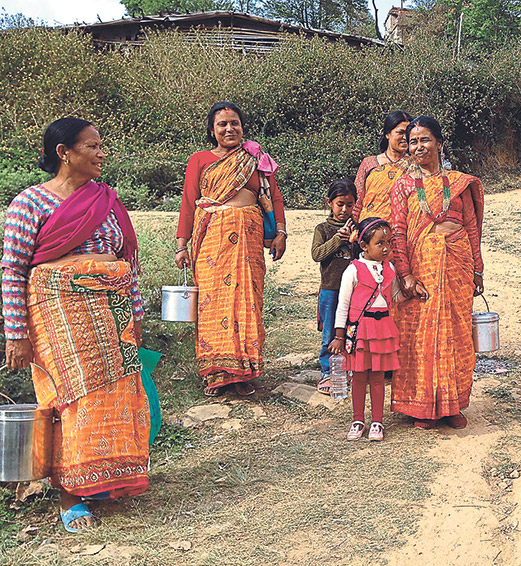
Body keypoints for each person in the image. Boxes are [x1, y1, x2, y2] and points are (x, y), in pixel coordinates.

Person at [2, 117, 149, 532]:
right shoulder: (29, 204)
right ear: (64, 153)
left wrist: (135, 315)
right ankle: (70, 493)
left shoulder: (107, 201)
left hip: (109, 313)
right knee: (68, 397)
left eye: (102, 146)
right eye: (93, 146)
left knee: (114, 394)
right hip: (55, 315)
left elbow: (128, 263)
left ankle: (107, 479)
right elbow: (13, 271)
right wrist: (16, 333)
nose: (102, 153)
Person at [175, 101, 287, 397]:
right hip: (211, 239)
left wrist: (281, 233)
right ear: (211, 130)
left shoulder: (255, 158)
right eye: (222, 124)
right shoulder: (199, 160)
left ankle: (244, 372)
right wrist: (181, 245)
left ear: (242, 127)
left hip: (248, 239)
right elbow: (188, 203)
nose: (229, 128)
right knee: (213, 303)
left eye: (234, 123)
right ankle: (216, 373)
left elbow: (274, 197)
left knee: (246, 299)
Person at [390, 116, 484, 430]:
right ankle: (421, 408)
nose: (419, 146)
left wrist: (478, 270)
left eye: (425, 139)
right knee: (419, 336)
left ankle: (452, 404)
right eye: (413, 141)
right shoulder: (403, 184)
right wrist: (405, 274)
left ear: (439, 143)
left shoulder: (458, 181)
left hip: (457, 264)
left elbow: (471, 226)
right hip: (421, 267)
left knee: (456, 333)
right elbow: (398, 231)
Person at [329, 217, 400, 441]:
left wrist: (414, 287)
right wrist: (339, 336)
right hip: (360, 331)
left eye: (388, 242)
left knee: (378, 377)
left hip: (382, 330)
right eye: (380, 243)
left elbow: (396, 296)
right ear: (364, 245)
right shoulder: (353, 270)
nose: (386, 248)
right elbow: (343, 304)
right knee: (359, 377)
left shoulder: (390, 269)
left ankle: (377, 422)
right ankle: (358, 420)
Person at [312, 179, 356, 395]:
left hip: (356, 292)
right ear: (329, 202)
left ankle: (351, 370)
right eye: (340, 204)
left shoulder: (359, 228)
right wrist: (338, 240)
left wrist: (355, 241)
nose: (344, 210)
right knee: (329, 332)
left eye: (349, 205)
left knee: (351, 330)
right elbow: (317, 254)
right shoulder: (323, 229)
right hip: (330, 289)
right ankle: (328, 372)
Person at [353, 110, 413, 224]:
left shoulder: (415, 166)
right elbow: (357, 200)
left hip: (400, 231)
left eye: (408, 133)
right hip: (368, 230)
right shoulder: (369, 163)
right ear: (387, 134)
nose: (405, 137)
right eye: (400, 132)